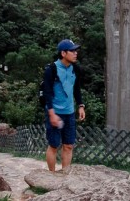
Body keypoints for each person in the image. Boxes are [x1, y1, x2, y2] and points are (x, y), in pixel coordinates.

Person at [40, 38, 85, 172]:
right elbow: (47, 92)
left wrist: (81, 106)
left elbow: (76, 88)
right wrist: (51, 113)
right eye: (72, 51)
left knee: (68, 145)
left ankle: (66, 177)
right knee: (54, 145)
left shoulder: (75, 69)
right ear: (63, 53)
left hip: (69, 112)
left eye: (76, 51)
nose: (76, 53)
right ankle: (51, 176)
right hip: (55, 112)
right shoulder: (51, 70)